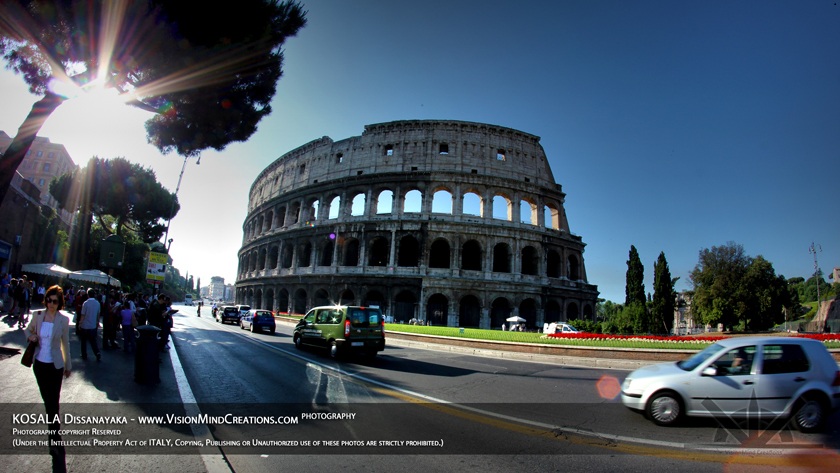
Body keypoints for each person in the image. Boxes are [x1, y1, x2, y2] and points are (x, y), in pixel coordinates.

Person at [25, 285, 71, 473]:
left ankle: (54, 439)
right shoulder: (37, 316)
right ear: (46, 301)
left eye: (55, 301)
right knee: (48, 403)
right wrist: (31, 337)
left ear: (59, 303)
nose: (51, 304)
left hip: (55, 366)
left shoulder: (63, 320)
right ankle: (54, 436)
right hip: (40, 365)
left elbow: (65, 342)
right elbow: (27, 331)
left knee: (54, 403)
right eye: (49, 300)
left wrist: (68, 365)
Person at [77, 288, 102, 361]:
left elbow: (83, 315)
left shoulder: (85, 303)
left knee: (83, 341)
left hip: (85, 325)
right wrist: (97, 322)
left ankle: (84, 354)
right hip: (93, 325)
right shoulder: (97, 303)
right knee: (93, 341)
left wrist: (80, 323)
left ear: (88, 295)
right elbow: (98, 314)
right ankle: (97, 352)